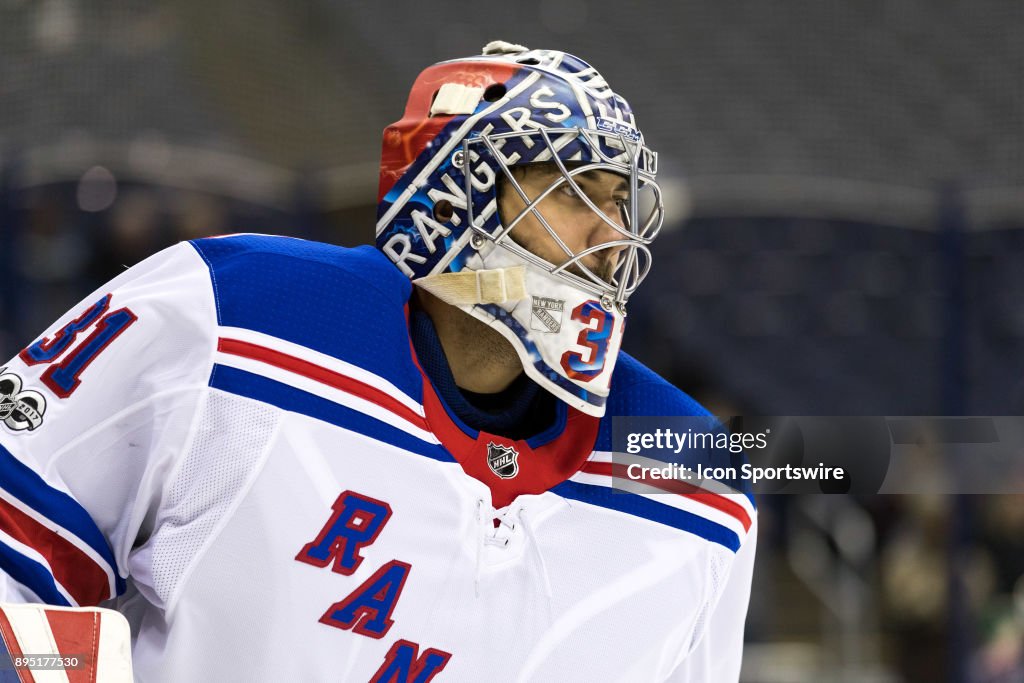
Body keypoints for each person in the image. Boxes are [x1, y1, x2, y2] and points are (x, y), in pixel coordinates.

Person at [0, 41, 756, 681]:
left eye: (621, 201)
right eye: (573, 190)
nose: (610, 234)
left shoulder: (699, 482)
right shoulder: (235, 316)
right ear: (457, 194)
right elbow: (15, 570)